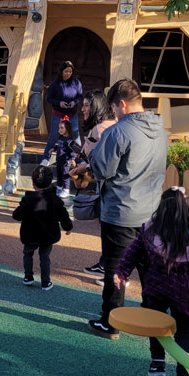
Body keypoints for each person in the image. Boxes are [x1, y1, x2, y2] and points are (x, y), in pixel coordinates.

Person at [88, 79, 168, 336]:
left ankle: (111, 321)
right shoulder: (161, 130)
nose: (114, 114)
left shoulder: (118, 132)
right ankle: (154, 317)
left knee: (116, 268)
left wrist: (89, 160)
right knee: (149, 266)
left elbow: (102, 168)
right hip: (151, 210)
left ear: (122, 104)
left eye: (114, 109)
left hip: (121, 210)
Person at [112, 187, 189, 376]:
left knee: (154, 325)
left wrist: (121, 271)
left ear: (161, 210)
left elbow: (132, 252)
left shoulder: (150, 232)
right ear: (187, 212)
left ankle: (157, 361)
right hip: (182, 296)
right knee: (183, 334)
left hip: (154, 288)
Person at [72, 90, 117, 276]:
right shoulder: (113, 125)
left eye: (87, 105)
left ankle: (111, 270)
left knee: (109, 229)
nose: (83, 109)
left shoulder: (99, 129)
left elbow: (97, 160)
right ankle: (105, 263)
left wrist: (80, 168)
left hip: (107, 186)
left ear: (96, 106)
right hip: (115, 185)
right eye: (83, 105)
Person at [12, 165, 73, 291]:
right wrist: (68, 227)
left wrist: (20, 212)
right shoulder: (55, 200)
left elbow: (17, 215)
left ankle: (28, 277)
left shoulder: (28, 199)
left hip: (30, 234)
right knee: (45, 257)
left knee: (27, 253)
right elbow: (63, 215)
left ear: (33, 183)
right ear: (50, 182)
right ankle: (46, 282)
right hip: (48, 235)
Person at [42, 60, 82, 164]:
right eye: (66, 71)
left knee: (75, 135)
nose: (68, 74)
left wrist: (74, 102)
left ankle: (78, 159)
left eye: (70, 72)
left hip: (72, 112)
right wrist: (59, 103)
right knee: (54, 134)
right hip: (58, 113)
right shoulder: (55, 84)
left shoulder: (76, 83)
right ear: (61, 72)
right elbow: (49, 98)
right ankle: (46, 157)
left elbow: (80, 96)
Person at [53, 116, 79, 199]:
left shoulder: (70, 140)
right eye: (59, 128)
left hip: (66, 161)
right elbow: (58, 146)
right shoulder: (60, 138)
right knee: (59, 175)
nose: (59, 130)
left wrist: (73, 160)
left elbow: (73, 151)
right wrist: (53, 149)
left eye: (61, 128)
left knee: (65, 175)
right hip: (59, 160)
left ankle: (66, 190)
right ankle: (59, 188)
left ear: (67, 129)